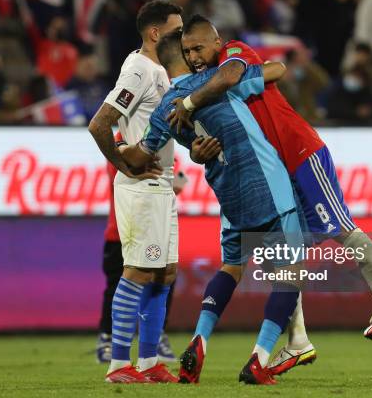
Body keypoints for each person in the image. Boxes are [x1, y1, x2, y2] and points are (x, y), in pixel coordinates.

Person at [170, 14, 372, 376]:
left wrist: (186, 104)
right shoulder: (208, 86)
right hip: (275, 172)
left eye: (198, 47)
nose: (194, 56)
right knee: (284, 260)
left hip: (300, 152)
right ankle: (297, 341)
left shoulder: (233, 56)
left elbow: (248, 73)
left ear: (217, 43)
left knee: (340, 228)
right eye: (187, 51)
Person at [119, 29, 305, 385]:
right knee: (291, 274)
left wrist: (115, 147)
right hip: (267, 185)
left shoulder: (163, 111)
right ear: (186, 56)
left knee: (231, 268)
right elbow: (277, 70)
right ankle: (260, 358)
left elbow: (140, 157)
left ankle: (199, 339)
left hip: (228, 194)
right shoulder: (220, 81)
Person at [87, 0, 183, 384]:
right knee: (139, 272)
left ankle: (148, 362)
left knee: (164, 273)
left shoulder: (160, 71)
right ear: (155, 33)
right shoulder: (140, 70)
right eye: (176, 32)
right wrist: (125, 164)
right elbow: (100, 124)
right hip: (141, 188)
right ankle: (118, 365)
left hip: (162, 184)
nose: (181, 38)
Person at [95, 133, 187, 364]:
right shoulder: (121, 141)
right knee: (121, 282)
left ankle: (153, 344)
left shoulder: (160, 137)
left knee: (165, 276)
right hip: (123, 228)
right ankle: (109, 342)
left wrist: (174, 185)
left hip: (153, 220)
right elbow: (129, 174)